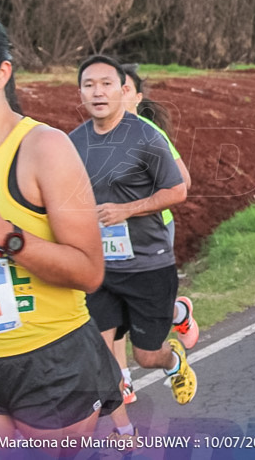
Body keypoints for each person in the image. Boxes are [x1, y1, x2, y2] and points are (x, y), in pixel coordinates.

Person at [0, 12, 121, 451]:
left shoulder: (44, 148)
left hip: (49, 360)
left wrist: (7, 236)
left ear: (2, 73)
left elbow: (90, 271)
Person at [69, 56, 194, 443]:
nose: (98, 92)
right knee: (101, 359)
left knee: (145, 356)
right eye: (90, 85)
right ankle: (124, 432)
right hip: (99, 268)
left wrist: (127, 209)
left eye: (107, 84)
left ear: (123, 90)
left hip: (148, 264)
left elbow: (178, 190)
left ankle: (172, 360)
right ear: (81, 93)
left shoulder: (144, 135)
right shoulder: (72, 141)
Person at [113, 64, 197, 406]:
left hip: (153, 231)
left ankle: (176, 312)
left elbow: (183, 183)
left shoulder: (148, 132)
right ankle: (123, 381)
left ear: (136, 97)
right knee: (113, 307)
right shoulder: (91, 136)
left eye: (122, 89)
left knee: (138, 307)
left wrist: (135, 205)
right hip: (111, 234)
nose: (112, 95)